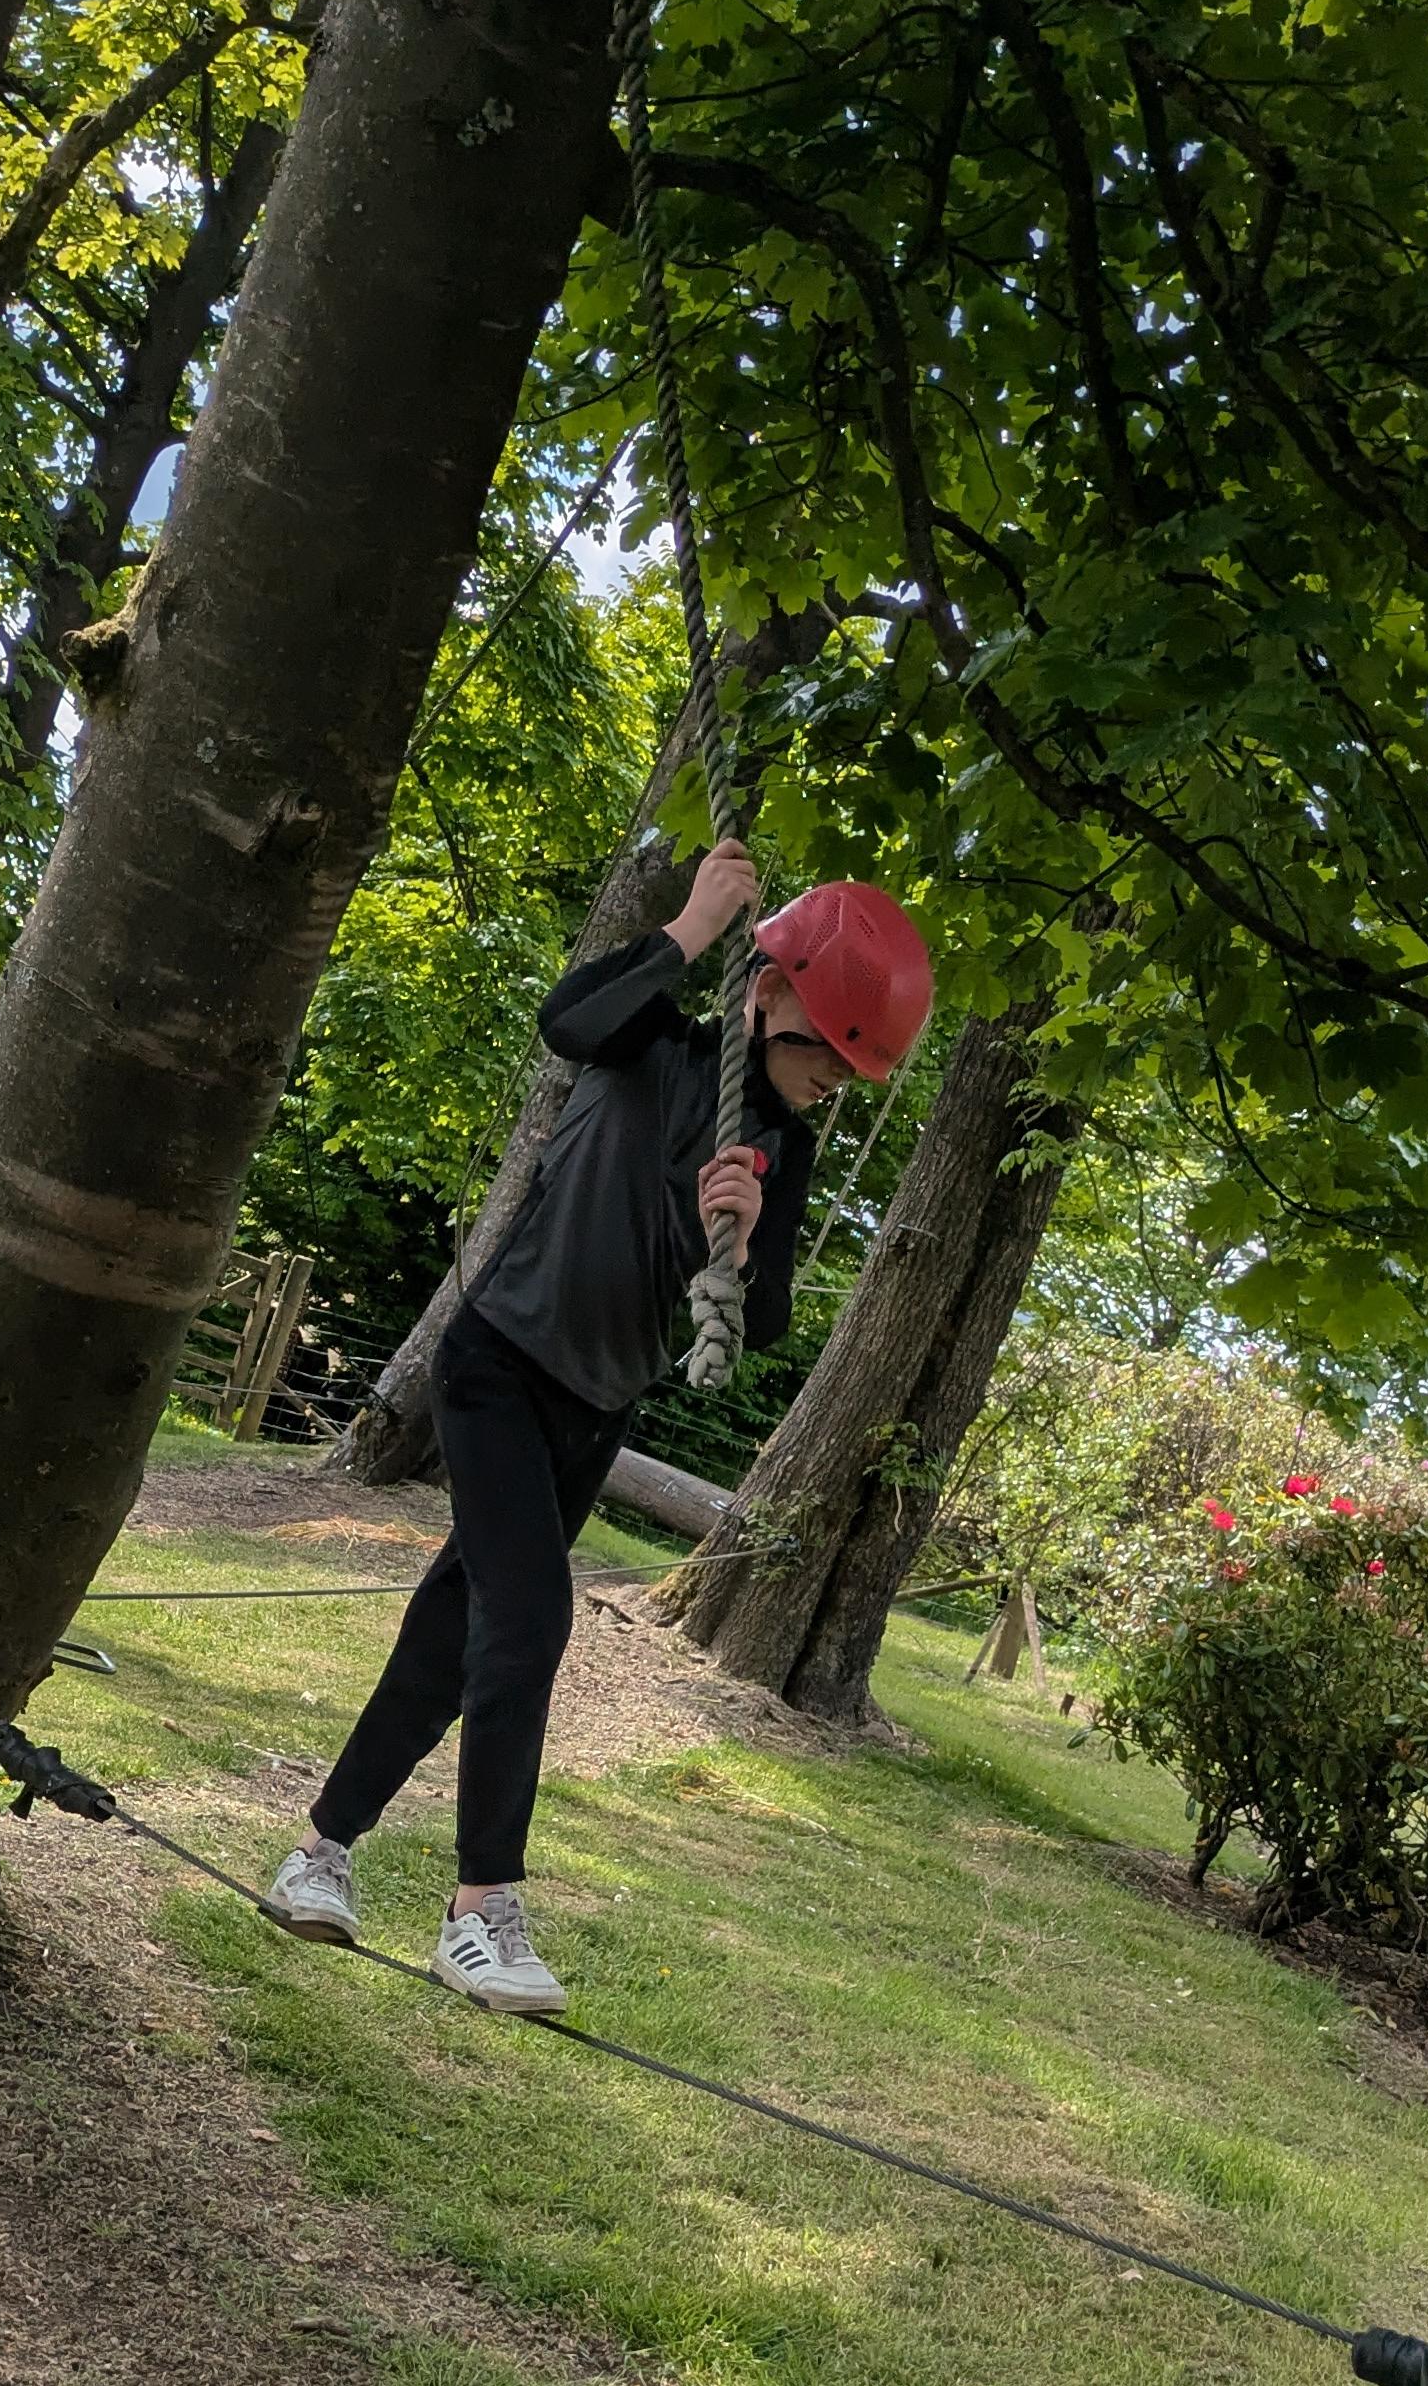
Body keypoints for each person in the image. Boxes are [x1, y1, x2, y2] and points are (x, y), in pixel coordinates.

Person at [264, 852, 933, 2014]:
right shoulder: (651, 1040)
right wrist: (692, 922)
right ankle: (480, 1910)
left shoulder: (785, 1148)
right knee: (528, 1619)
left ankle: (318, 1854)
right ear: (770, 993)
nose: (832, 1079)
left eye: (849, 1067)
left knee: (454, 1634)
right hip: (499, 1365)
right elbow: (565, 1019)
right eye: (826, 1049)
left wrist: (746, 1237)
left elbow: (768, 1316)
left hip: (594, 1412)